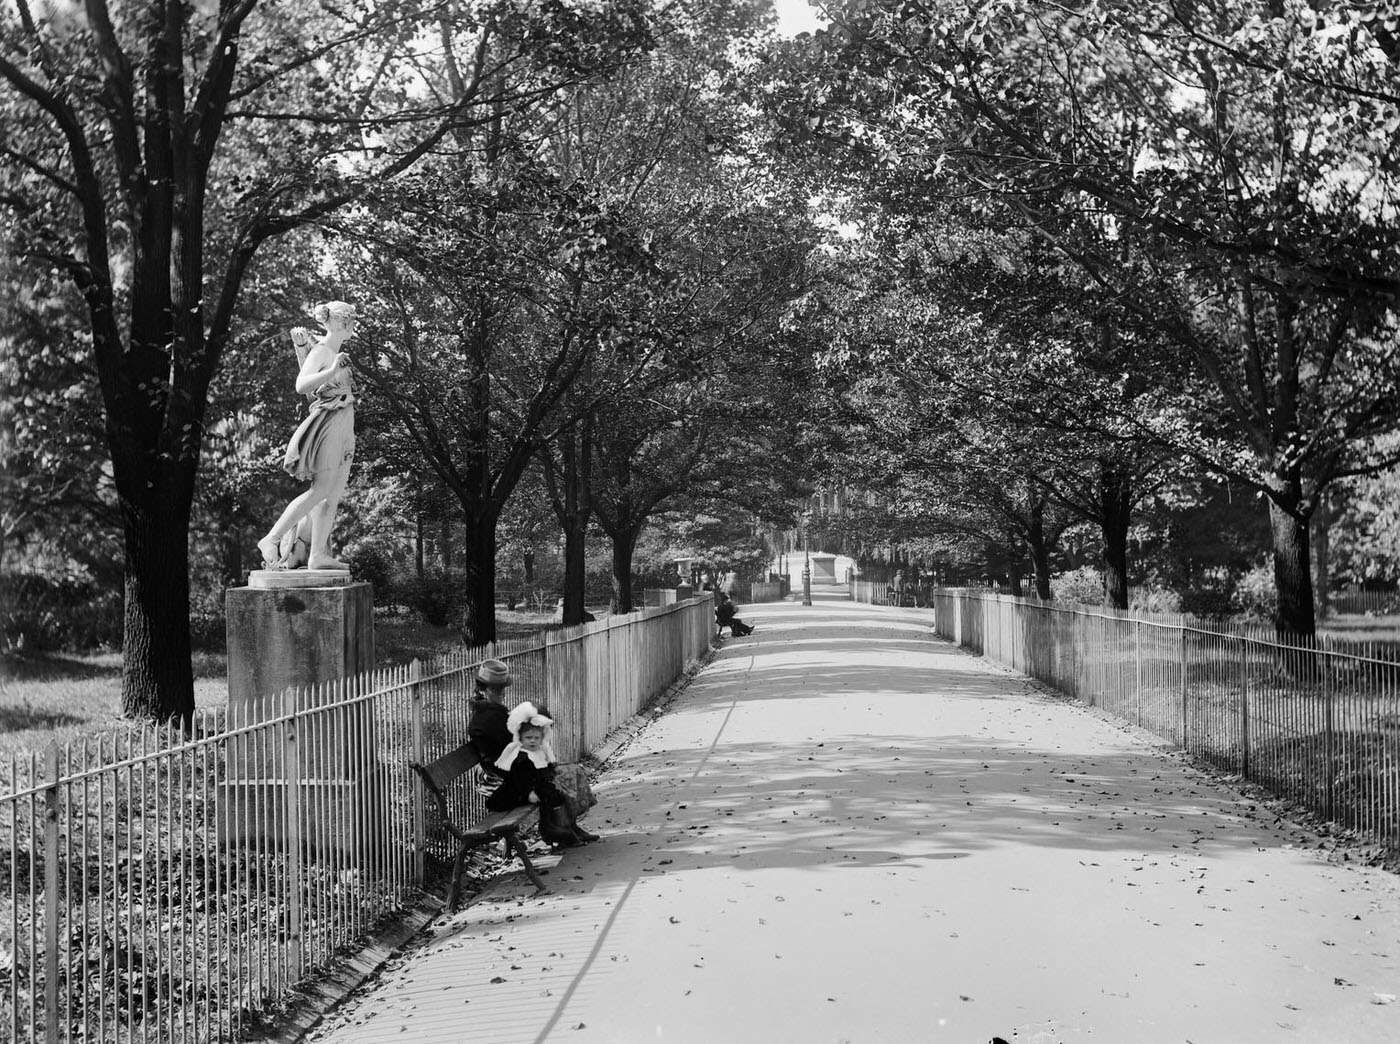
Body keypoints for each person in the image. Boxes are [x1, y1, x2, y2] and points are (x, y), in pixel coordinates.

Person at [257, 301, 358, 570]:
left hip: (345, 427)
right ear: (338, 322)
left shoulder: (333, 352)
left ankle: (317, 556)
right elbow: (302, 385)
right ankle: (272, 538)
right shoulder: (323, 352)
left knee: (331, 497)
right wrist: (333, 369)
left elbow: (320, 391)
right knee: (321, 489)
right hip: (330, 426)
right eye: (351, 319)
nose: (354, 324)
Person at [487, 702, 599, 846]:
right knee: (554, 787)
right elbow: (518, 779)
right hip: (517, 792)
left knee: (566, 777)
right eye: (529, 738)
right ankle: (553, 827)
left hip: (531, 784)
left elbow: (543, 767)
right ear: (521, 738)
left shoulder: (536, 750)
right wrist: (530, 792)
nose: (533, 741)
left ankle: (567, 824)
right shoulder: (520, 757)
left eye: (537, 737)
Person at [465, 659, 514, 799]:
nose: (502, 693)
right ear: (481, 690)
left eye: (502, 688)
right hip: (498, 782)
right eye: (496, 689)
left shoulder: (491, 713)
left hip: (505, 774)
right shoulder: (488, 718)